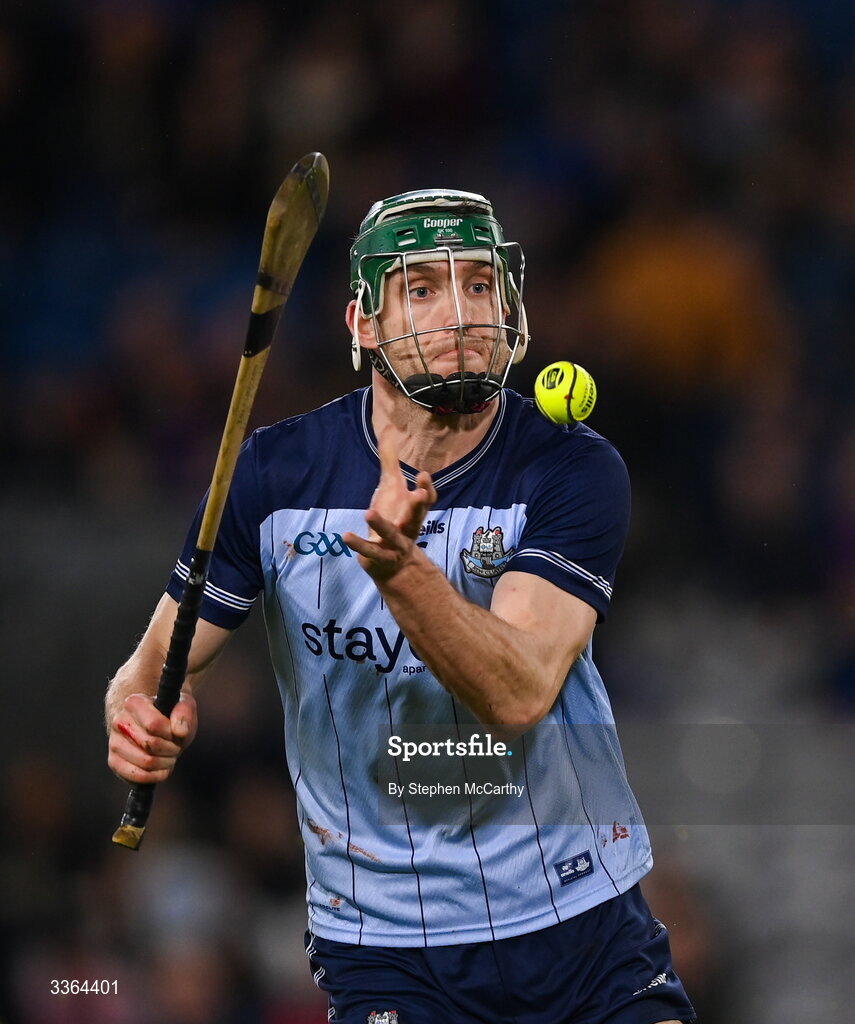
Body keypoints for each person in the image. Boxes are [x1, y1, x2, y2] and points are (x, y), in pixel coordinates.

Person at [106, 188, 696, 1024]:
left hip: (584, 927)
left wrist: (400, 569)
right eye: (420, 288)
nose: (459, 311)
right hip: (386, 949)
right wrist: (133, 717)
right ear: (363, 325)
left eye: (480, 284)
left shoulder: (571, 468)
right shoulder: (272, 479)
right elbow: (151, 665)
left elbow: (519, 691)